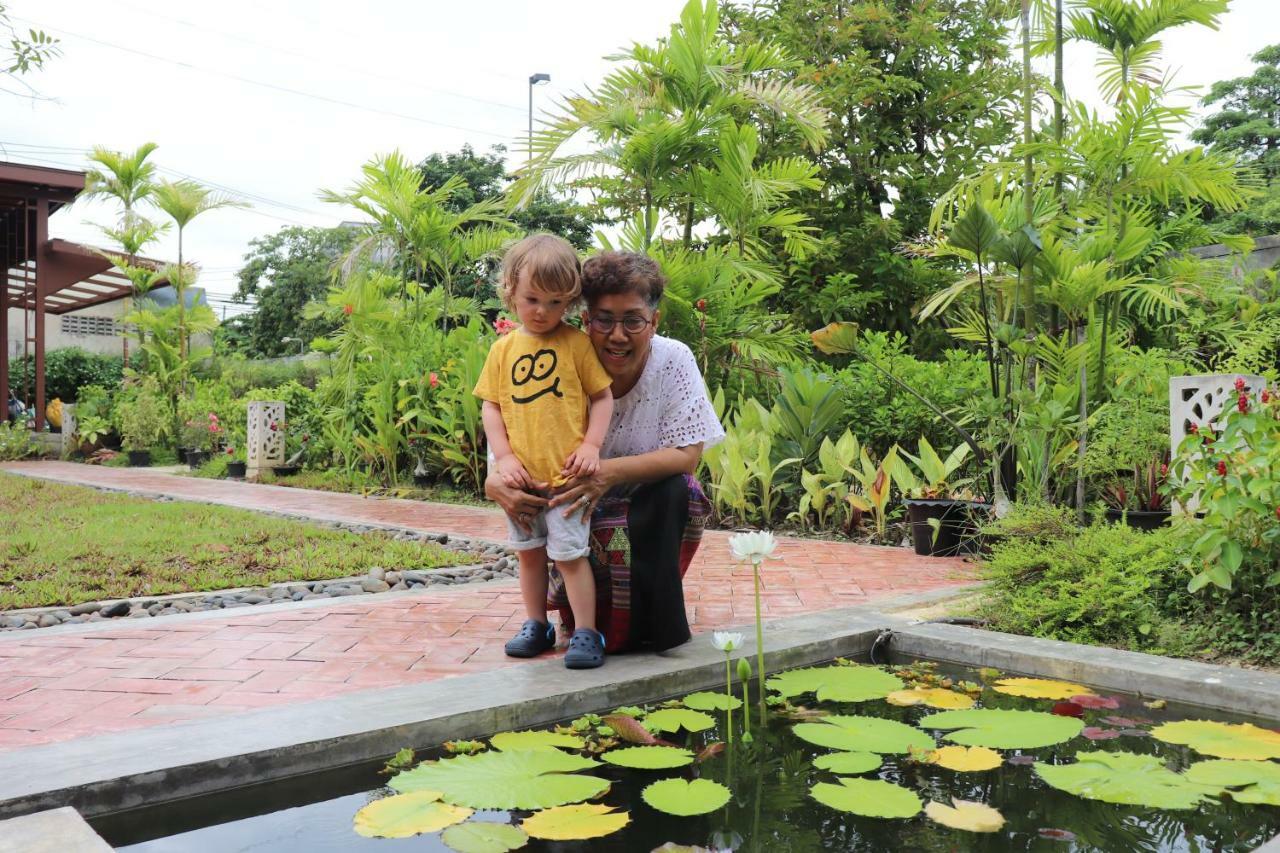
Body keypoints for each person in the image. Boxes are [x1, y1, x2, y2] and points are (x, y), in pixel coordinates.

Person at [485, 250, 725, 654]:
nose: (617, 335)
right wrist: (497, 482)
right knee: (556, 531)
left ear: (654, 322)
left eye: (633, 320)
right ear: (585, 319)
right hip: (571, 510)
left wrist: (606, 472)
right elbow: (514, 432)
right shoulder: (553, 358)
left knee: (678, 490)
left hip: (638, 510)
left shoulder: (672, 359)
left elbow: (687, 455)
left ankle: (658, 620)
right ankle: (572, 621)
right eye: (604, 320)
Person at [474, 234, 615, 669]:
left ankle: (587, 632)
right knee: (529, 553)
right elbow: (491, 406)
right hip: (521, 480)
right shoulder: (503, 349)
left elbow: (601, 398)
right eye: (532, 299)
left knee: (571, 556)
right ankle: (537, 623)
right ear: (510, 291)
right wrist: (505, 458)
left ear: (570, 301)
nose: (542, 311)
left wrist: (592, 445)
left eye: (556, 303)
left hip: (565, 479)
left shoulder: (576, 345)